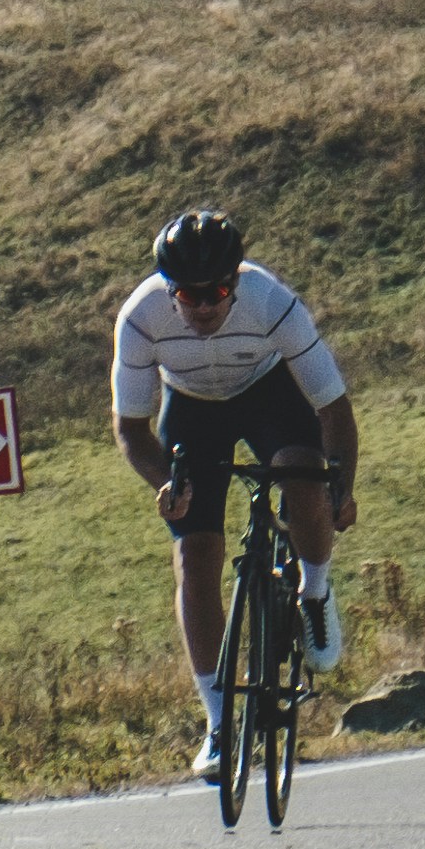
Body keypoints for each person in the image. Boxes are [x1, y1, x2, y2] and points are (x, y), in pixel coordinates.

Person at [110, 207, 360, 776]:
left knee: (303, 471)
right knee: (195, 557)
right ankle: (221, 725)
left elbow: (333, 410)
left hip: (268, 394)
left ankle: (315, 593)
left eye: (218, 290)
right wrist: (167, 483)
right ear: (167, 288)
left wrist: (340, 484)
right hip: (192, 410)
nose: (203, 307)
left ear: (237, 279)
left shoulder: (272, 302)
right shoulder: (141, 318)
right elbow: (130, 428)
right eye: (189, 295)